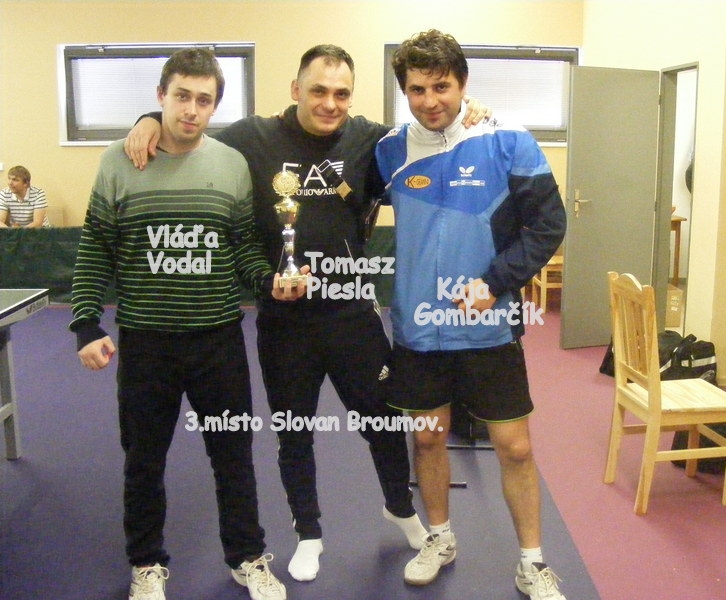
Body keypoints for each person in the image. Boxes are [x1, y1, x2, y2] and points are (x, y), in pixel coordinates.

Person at [123, 44, 489, 583]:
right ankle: (309, 534)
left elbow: (433, 129)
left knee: (383, 422)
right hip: (284, 321)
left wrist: (469, 114)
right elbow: (191, 131)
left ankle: (399, 507)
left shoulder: (371, 139)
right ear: (296, 89)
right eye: (318, 91)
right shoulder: (252, 137)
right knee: (295, 432)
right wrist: (148, 119)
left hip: (352, 315)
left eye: (341, 93)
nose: (329, 103)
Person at [70, 48, 285, 600]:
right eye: (182, 96)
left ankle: (247, 556)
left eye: (204, 100)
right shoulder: (119, 160)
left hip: (219, 342)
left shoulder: (231, 164)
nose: (192, 109)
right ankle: (146, 564)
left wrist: (268, 281)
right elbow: (96, 246)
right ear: (161, 96)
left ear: (215, 107)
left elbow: (242, 247)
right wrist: (86, 324)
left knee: (233, 457)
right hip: (147, 344)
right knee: (144, 463)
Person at [375, 30, 568, 600]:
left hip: (487, 329)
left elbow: (549, 225)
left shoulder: (508, 140)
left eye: (442, 86)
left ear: (462, 84)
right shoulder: (388, 150)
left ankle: (532, 562)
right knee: (428, 441)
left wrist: (496, 281)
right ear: (404, 92)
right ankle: (439, 538)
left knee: (516, 448)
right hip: (418, 330)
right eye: (417, 89)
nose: (430, 100)